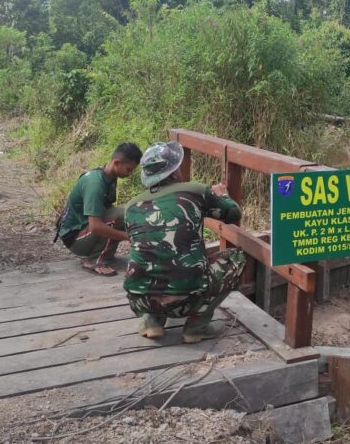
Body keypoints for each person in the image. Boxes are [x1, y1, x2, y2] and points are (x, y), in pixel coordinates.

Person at [123, 141, 246, 343]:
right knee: (237, 258)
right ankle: (197, 326)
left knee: (151, 258)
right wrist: (222, 195)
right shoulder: (195, 191)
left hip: (141, 299)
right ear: (173, 173)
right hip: (189, 298)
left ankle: (152, 322)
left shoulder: (130, 206)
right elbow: (233, 213)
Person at [55, 142, 142, 276]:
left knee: (126, 214)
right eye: (129, 169)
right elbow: (95, 226)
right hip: (75, 239)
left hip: (84, 230)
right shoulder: (95, 183)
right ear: (117, 163)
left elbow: (106, 210)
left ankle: (105, 255)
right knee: (119, 216)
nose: (129, 174)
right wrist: (127, 237)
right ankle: (94, 260)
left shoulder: (109, 176)